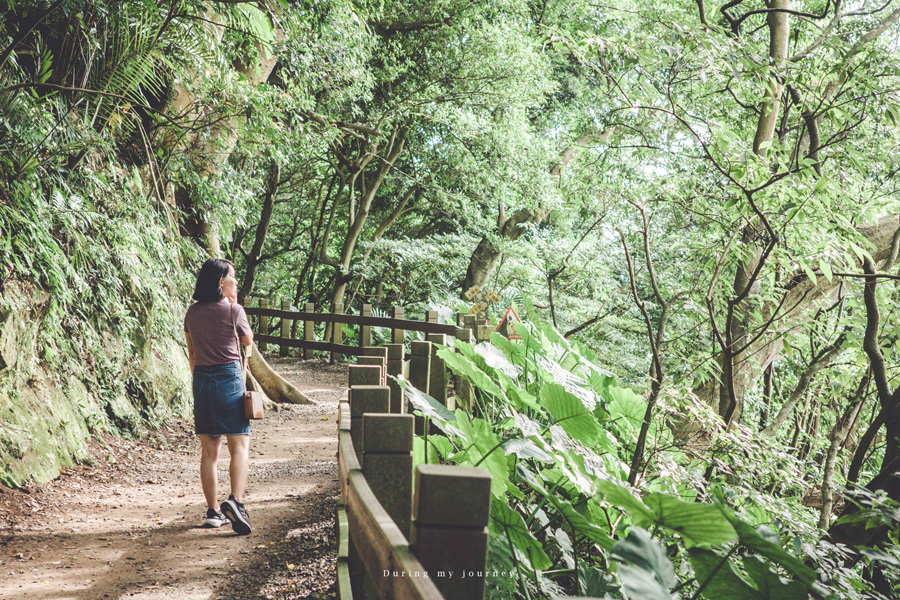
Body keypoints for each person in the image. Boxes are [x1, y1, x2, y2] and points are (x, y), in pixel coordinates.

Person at [184, 258, 254, 535]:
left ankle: (213, 512)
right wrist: (233, 302)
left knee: (209, 453)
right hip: (229, 379)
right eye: (232, 277)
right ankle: (236, 501)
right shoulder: (234, 311)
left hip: (201, 380)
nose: (235, 282)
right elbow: (247, 341)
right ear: (220, 283)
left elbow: (191, 352)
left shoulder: (191, 313)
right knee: (239, 446)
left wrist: (200, 377)